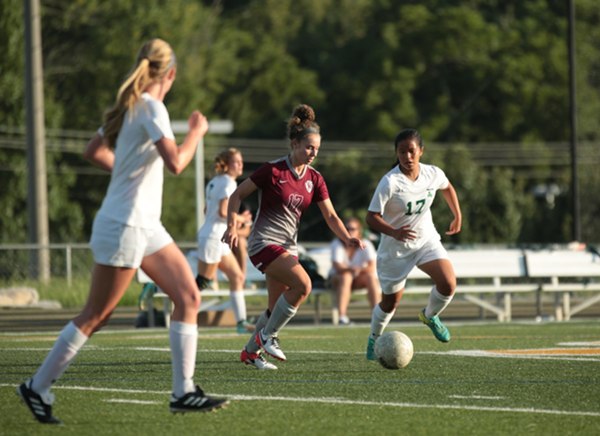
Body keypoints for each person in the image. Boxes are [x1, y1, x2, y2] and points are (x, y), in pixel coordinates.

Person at [16, 39, 228, 424]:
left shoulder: (133, 105)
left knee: (189, 296)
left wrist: (126, 172)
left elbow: (94, 150)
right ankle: (37, 386)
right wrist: (196, 131)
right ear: (172, 74)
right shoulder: (152, 107)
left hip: (145, 223)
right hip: (125, 224)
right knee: (97, 314)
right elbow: (177, 163)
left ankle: (184, 392)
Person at [222, 104, 363, 370]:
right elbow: (236, 195)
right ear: (294, 143)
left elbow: (331, 216)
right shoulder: (272, 171)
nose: (313, 153)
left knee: (273, 308)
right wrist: (231, 226)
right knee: (303, 286)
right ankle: (268, 336)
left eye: (317, 149)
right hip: (263, 243)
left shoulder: (315, 179)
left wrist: (347, 238)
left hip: (287, 247)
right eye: (309, 147)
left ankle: (251, 353)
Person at [364, 128, 462, 360]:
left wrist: (457, 214)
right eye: (402, 152)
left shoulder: (432, 173)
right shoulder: (390, 182)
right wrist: (394, 232)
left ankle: (430, 316)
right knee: (390, 303)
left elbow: (447, 187)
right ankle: (374, 337)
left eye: (411, 151)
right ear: (396, 153)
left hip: (426, 241)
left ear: (421, 151)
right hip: (395, 250)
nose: (407, 157)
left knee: (448, 283)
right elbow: (371, 217)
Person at [196, 148, 254, 334]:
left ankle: (241, 323)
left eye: (241, 161)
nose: (240, 165)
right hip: (213, 237)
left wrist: (234, 220)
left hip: (216, 237)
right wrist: (243, 219)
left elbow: (207, 211)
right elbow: (223, 212)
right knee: (202, 283)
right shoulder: (228, 183)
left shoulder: (214, 182)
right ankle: (166, 291)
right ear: (227, 165)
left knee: (237, 277)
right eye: (236, 162)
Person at [329, 217, 381, 325]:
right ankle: (342, 317)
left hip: (357, 279)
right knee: (346, 276)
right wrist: (351, 270)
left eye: (352, 229)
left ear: (359, 231)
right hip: (338, 279)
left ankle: (377, 315)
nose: (349, 231)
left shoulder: (366, 243)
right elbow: (338, 267)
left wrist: (358, 270)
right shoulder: (337, 244)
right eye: (347, 229)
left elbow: (372, 267)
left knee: (370, 277)